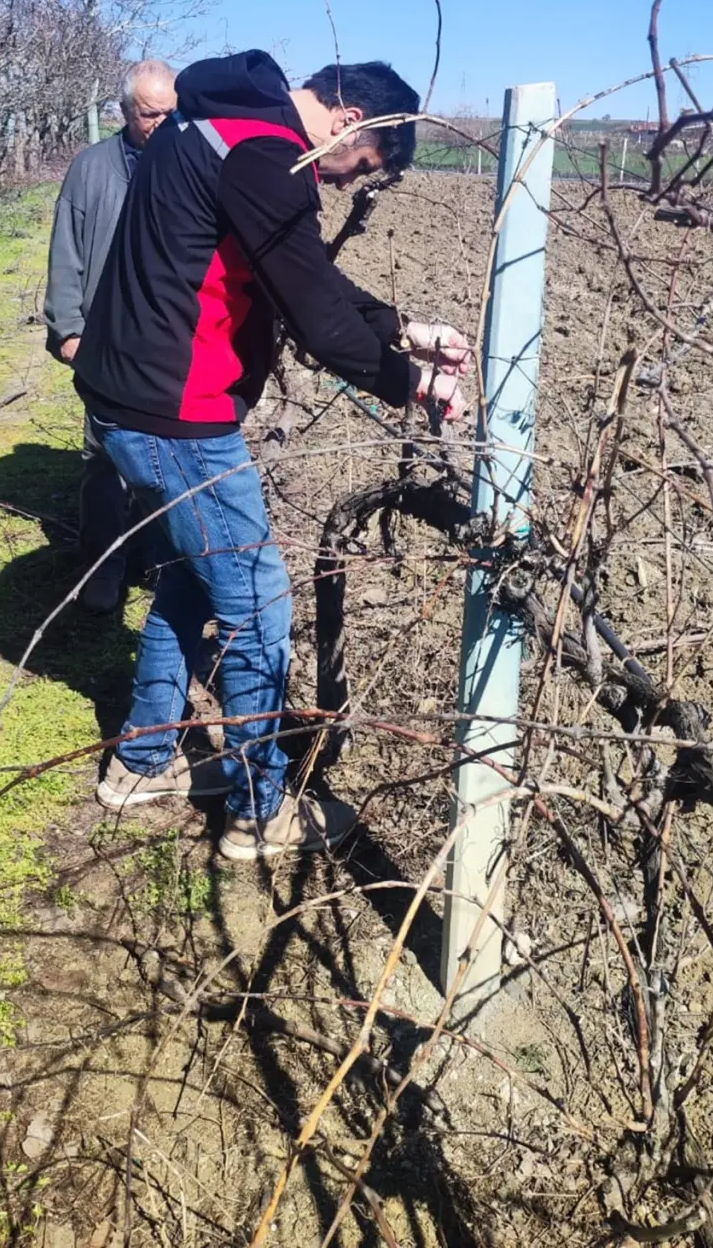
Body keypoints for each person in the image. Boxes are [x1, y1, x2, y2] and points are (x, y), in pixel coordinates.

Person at [74, 49, 468, 860]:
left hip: (134, 395)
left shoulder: (218, 124)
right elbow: (319, 321)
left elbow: (301, 273)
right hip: (174, 411)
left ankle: (143, 762)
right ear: (352, 122)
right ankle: (261, 809)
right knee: (258, 602)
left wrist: (404, 326)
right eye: (361, 165)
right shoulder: (266, 154)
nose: (344, 182)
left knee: (191, 577)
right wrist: (416, 385)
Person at [44, 59, 177, 612]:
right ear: (124, 112)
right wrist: (68, 329)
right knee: (104, 459)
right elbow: (66, 253)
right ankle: (101, 564)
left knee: (163, 460)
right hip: (103, 340)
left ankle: (153, 555)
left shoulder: (187, 165)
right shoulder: (92, 168)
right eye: (150, 114)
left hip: (167, 341)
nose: (162, 123)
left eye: (172, 112)